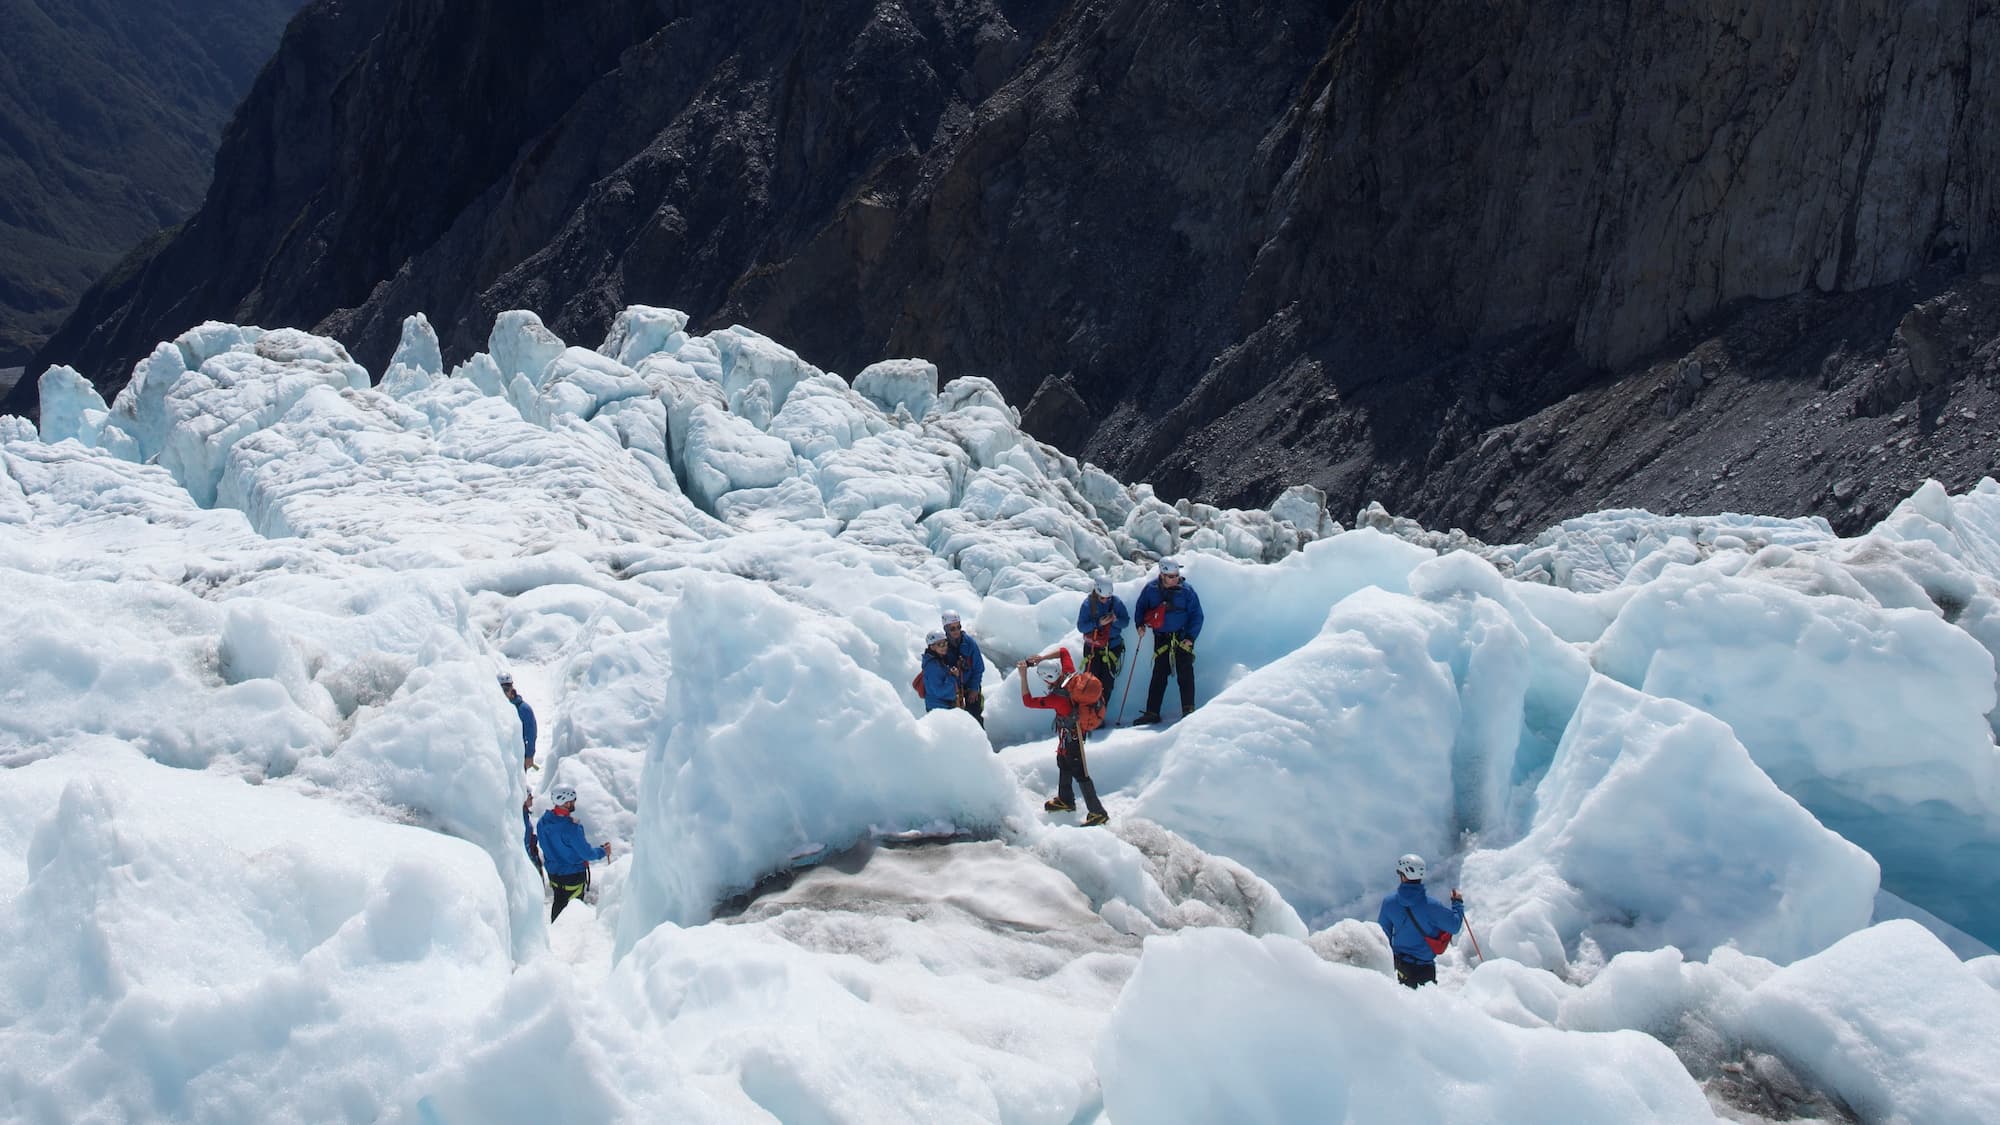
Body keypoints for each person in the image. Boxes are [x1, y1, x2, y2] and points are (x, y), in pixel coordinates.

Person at [1018, 647, 1109, 827]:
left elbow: (1028, 701)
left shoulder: (1056, 699)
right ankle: (1066, 799)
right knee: (1063, 761)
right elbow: (1064, 651)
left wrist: (1023, 676)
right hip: (1071, 734)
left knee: (1080, 772)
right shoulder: (1070, 674)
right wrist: (1042, 658)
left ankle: (1098, 812)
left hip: (1073, 736)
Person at [1131, 558, 1203, 725]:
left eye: (1176, 576)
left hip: (1182, 638)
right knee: (1159, 675)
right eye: (1170, 576)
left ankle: (1188, 709)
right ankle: (1152, 712)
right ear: (1162, 575)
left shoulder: (1187, 591)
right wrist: (1139, 624)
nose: (1174, 579)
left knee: (1185, 673)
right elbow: (1141, 607)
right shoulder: (1150, 590)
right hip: (1161, 638)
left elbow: (1197, 616)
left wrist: (1190, 638)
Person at [1376, 853, 1464, 988]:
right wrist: (1457, 903)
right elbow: (1454, 926)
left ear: (1403, 876)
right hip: (1425, 968)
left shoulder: (1389, 903)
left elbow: (1382, 937)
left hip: (1400, 968)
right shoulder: (1432, 905)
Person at [536, 785, 612, 922]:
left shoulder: (543, 822)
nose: (574, 803)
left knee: (558, 902)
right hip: (573, 875)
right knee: (573, 909)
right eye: (572, 800)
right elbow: (587, 853)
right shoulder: (572, 828)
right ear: (566, 802)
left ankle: (555, 930)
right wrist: (603, 851)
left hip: (553, 873)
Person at [1076, 574, 1130, 702]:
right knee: (1091, 682)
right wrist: (1098, 623)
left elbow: (1125, 622)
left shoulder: (1116, 603)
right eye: (1102, 598)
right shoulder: (1088, 604)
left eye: (1108, 597)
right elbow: (1081, 627)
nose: (1105, 600)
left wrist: (1115, 620)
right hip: (1093, 647)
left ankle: (1100, 714)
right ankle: (1090, 715)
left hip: (1112, 645)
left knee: (1107, 683)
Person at [941, 610, 987, 727]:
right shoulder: (942, 645)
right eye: (952, 628)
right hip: (953, 687)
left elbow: (978, 667)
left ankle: (980, 739)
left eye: (958, 627)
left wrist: (974, 688)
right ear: (946, 629)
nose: (956, 631)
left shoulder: (969, 643)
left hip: (970, 684)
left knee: (975, 714)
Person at [499, 672, 538, 771]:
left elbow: (531, 734)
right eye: (501, 689)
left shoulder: (524, 709)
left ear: (511, 688)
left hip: (518, 755)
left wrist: (529, 755)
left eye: (506, 689)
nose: (504, 693)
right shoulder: (494, 708)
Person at [523, 793, 544, 880]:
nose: (532, 797)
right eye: (529, 795)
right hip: (530, 860)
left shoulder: (524, 814)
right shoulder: (522, 817)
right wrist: (533, 863)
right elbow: (526, 843)